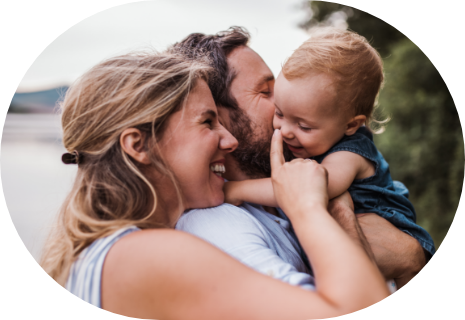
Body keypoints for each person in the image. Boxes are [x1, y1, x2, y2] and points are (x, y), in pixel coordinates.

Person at [40, 50, 389, 318]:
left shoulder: (105, 253)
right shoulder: (146, 256)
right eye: (208, 122)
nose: (229, 140)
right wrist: (307, 207)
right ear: (139, 145)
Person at [172, 27, 429, 290]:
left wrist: (411, 254)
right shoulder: (217, 226)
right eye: (266, 92)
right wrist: (343, 215)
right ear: (218, 115)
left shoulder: (326, 163)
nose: (287, 106)